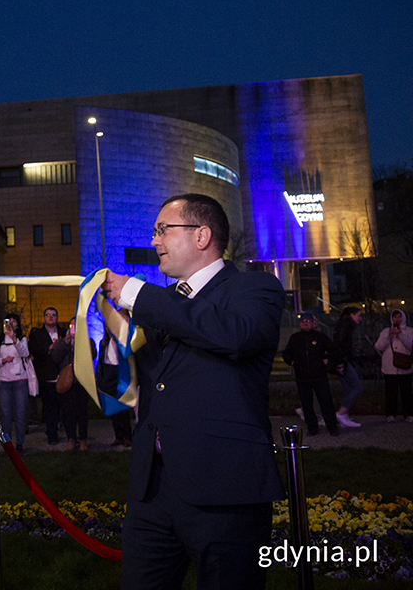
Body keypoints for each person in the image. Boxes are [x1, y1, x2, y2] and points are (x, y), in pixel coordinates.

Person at [101, 193, 285, 590]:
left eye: (162, 230)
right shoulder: (163, 305)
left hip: (224, 489)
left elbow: (235, 335)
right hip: (153, 490)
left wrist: (138, 294)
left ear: (202, 235)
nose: (154, 241)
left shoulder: (255, 288)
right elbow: (133, 384)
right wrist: (110, 341)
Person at [282, 312, 340, 436]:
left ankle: (332, 426)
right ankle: (312, 427)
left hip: (319, 375)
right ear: (300, 323)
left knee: (326, 401)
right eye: (303, 321)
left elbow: (333, 351)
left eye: (308, 321)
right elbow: (286, 353)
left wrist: (327, 360)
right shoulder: (295, 338)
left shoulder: (320, 337)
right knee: (306, 403)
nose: (306, 323)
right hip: (302, 377)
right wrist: (292, 362)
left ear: (313, 323)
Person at [0, 314, 30, 451]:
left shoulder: (21, 339)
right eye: (8, 322)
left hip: (20, 380)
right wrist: (3, 361)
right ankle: (7, 444)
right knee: (5, 414)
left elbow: (25, 353)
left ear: (18, 325)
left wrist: (14, 338)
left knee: (20, 413)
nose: (11, 325)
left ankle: (20, 444)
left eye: (14, 322)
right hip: (4, 381)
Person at [50, 317, 89, 451]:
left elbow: (92, 354)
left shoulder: (86, 340)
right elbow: (55, 358)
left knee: (82, 412)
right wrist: (65, 344)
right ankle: (71, 439)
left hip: (81, 381)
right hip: (67, 381)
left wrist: (80, 342)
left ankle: (83, 440)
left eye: (76, 325)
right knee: (68, 412)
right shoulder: (63, 342)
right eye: (71, 325)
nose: (73, 328)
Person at [28, 307, 62, 445]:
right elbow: (34, 350)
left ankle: (70, 434)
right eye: (48, 315)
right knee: (49, 406)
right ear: (44, 318)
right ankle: (52, 434)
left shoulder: (64, 332)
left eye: (53, 315)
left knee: (64, 406)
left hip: (63, 374)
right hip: (46, 376)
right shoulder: (38, 334)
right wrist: (49, 348)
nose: (51, 317)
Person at [375, 309, 413, 422]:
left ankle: (408, 413)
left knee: (406, 391)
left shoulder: (410, 331)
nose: (397, 319)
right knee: (390, 391)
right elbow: (378, 346)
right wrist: (389, 337)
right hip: (390, 367)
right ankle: (391, 414)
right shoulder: (386, 331)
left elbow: (411, 345)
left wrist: (400, 335)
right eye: (395, 317)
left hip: (405, 366)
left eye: (399, 317)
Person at [332, 306, 364, 428]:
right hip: (343, 361)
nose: (360, 319)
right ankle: (342, 413)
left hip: (340, 360)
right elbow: (340, 342)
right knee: (357, 387)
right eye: (358, 315)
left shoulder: (343, 323)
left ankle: (344, 417)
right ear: (352, 314)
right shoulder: (346, 324)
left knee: (349, 388)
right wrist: (343, 359)